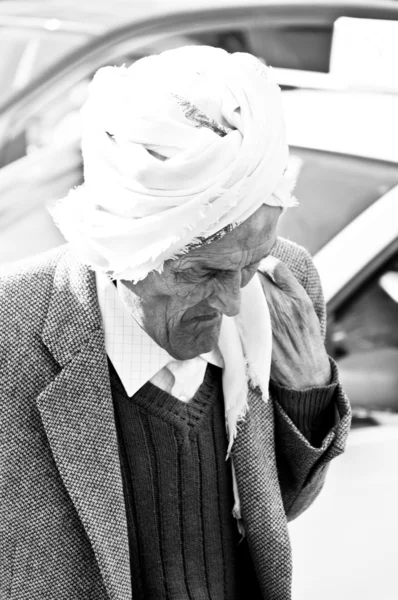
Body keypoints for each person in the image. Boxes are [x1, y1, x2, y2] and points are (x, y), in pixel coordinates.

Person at [0, 46, 351, 600]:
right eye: (204, 271)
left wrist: (307, 395)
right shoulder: (10, 328)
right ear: (127, 248)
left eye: (250, 265)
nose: (236, 302)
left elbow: (272, 512)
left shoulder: (285, 284)